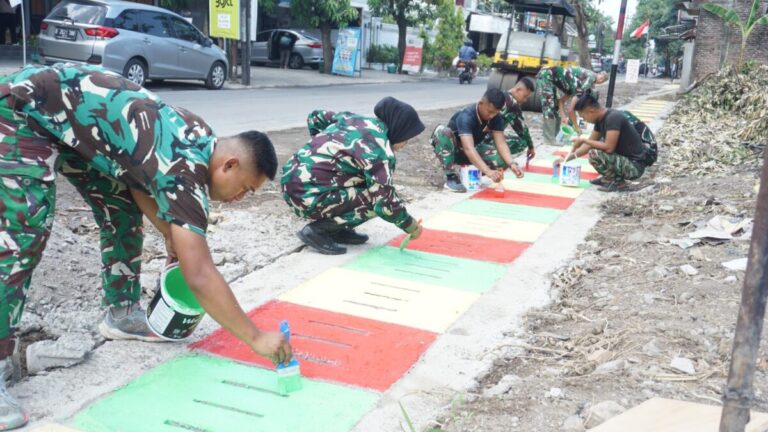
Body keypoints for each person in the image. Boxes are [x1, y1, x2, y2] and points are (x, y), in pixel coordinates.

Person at [0, 63, 292, 429]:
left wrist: (169, 232)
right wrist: (256, 337)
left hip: (72, 125)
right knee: (21, 234)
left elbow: (138, 180)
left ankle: (121, 314)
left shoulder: (201, 135)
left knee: (120, 209)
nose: (240, 198)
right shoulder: (187, 175)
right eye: (246, 188)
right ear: (229, 165)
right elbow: (199, 274)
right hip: (25, 108)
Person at [281, 97, 425, 255]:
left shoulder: (351, 119)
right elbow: (386, 204)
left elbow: (315, 117)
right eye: (407, 138)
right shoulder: (380, 150)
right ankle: (318, 231)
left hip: (290, 182)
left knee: (365, 181)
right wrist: (411, 227)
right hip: (307, 197)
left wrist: (317, 149)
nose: (406, 144)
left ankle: (338, 228)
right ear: (399, 129)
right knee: (374, 197)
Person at [554, 92, 656, 192]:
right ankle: (609, 179)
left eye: (583, 117)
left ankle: (619, 183)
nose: (584, 120)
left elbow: (608, 147)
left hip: (635, 167)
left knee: (595, 152)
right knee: (593, 151)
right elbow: (587, 145)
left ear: (591, 111)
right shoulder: (600, 120)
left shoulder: (613, 118)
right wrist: (567, 158)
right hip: (625, 161)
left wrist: (584, 140)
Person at [430, 88, 524, 193]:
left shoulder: (495, 118)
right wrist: (488, 171)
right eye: (490, 112)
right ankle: (451, 176)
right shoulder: (466, 116)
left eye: (495, 113)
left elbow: (501, 143)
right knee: (443, 132)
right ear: (481, 103)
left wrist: (512, 164)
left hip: (472, 152)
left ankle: (469, 170)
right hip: (453, 152)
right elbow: (468, 148)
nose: (491, 116)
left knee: (500, 159)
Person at [536, 66, 608, 144]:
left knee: (554, 106)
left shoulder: (574, 85)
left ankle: (555, 137)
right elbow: (571, 110)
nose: (600, 81)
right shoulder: (588, 80)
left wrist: (563, 116)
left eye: (603, 81)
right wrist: (576, 127)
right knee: (549, 106)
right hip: (546, 76)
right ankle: (549, 140)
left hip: (550, 78)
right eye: (601, 78)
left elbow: (561, 101)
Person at [477, 77, 537, 165]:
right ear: (518, 90)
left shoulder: (500, 95)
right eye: (525, 96)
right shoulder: (512, 104)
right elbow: (523, 131)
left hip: (474, 136)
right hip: (484, 140)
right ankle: (494, 154)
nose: (525, 100)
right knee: (522, 142)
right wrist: (531, 147)